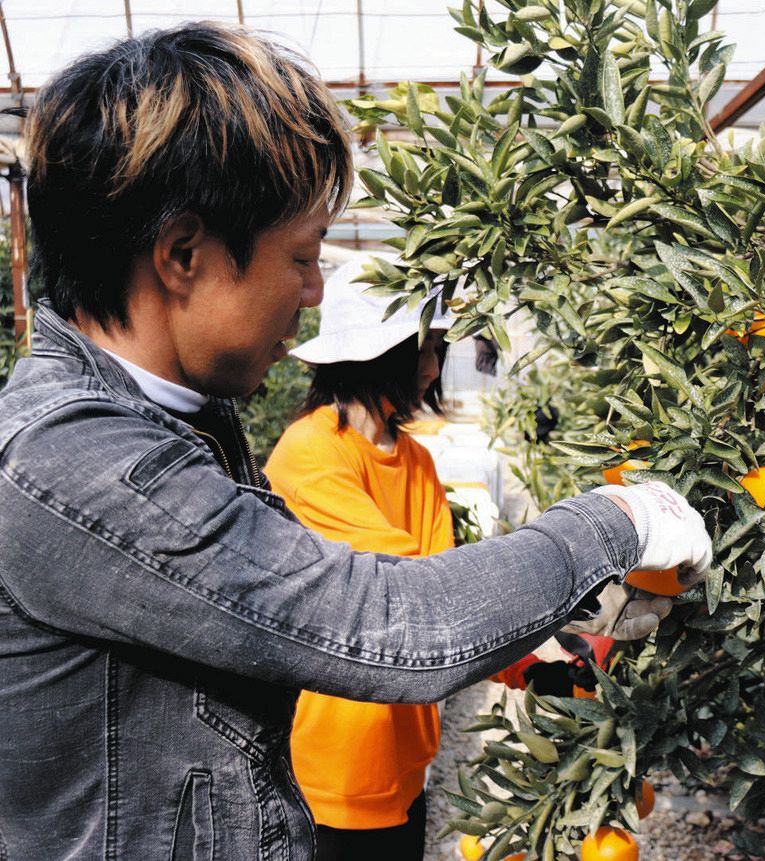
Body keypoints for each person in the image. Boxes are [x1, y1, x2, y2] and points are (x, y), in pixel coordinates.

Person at [0, 22, 712, 861]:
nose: (311, 292)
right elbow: (388, 619)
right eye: (301, 257)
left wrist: (565, 602)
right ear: (183, 254)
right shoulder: (75, 460)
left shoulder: (179, 417)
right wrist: (613, 522)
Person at [263, 262, 600, 860]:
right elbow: (411, 598)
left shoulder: (413, 457)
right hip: (335, 763)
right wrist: (533, 627)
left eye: (437, 349)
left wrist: (530, 662)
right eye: (418, 348)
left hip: (405, 751)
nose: (429, 367)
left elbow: (449, 588)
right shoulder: (311, 455)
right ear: (364, 355)